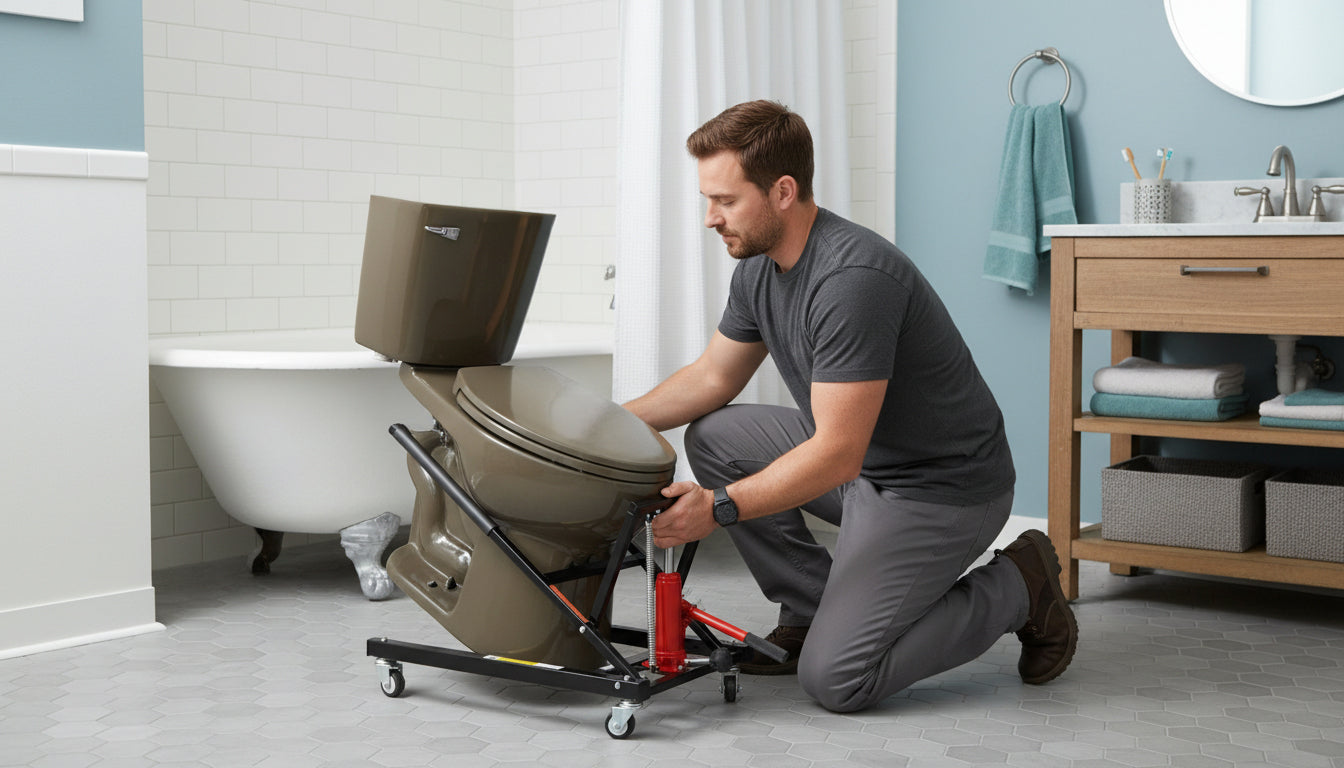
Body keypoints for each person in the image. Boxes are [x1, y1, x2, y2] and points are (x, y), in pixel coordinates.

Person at [622, 100, 1078, 713]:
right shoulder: (758, 270)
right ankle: (813, 608)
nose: (711, 218)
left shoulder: (852, 278)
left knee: (838, 679)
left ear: (783, 191)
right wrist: (605, 422)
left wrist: (720, 508)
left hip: (939, 488)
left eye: (725, 201)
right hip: (864, 468)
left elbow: (836, 453)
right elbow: (711, 377)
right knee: (715, 436)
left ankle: (1019, 585)